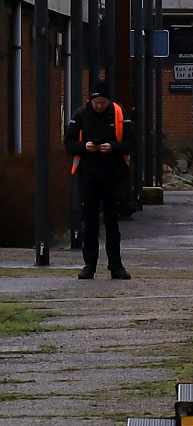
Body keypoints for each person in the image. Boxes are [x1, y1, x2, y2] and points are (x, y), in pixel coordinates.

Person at [64, 84, 132, 280]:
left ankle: (116, 265)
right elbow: (69, 143)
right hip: (88, 175)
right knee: (90, 223)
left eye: (102, 103)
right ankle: (89, 265)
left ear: (108, 101)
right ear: (91, 101)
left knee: (112, 222)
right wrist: (84, 147)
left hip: (113, 176)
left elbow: (131, 142)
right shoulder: (81, 115)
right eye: (96, 103)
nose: (99, 106)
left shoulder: (119, 114)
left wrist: (112, 147)